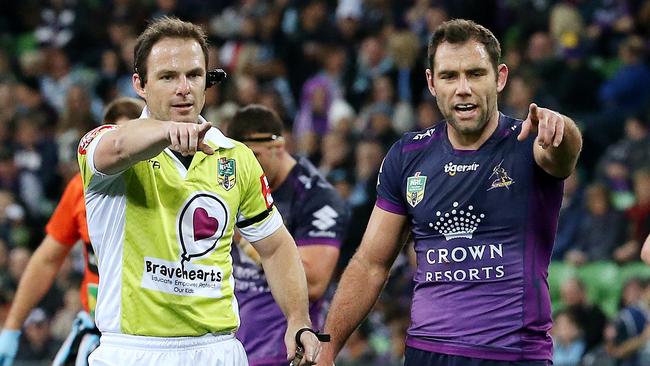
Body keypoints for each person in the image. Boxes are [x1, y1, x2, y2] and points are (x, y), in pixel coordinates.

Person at [319, 19, 582, 366]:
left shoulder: (528, 142)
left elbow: (562, 156)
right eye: (449, 76)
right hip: (426, 354)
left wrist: (562, 128)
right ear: (431, 82)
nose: (463, 88)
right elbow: (371, 263)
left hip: (513, 357)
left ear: (499, 78)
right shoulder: (408, 156)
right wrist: (327, 349)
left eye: (475, 74)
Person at [74, 17, 319, 366]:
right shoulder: (105, 146)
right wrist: (166, 132)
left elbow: (276, 246)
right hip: (133, 351)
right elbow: (118, 146)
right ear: (139, 84)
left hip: (218, 350)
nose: (184, 88)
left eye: (194, 75)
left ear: (208, 81)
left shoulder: (236, 158)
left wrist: (298, 319)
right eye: (168, 76)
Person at [0, 96, 145, 366]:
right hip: (96, 332)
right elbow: (47, 258)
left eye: (131, 140)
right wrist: (12, 327)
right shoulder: (80, 188)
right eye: (116, 141)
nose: (122, 151)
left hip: (150, 337)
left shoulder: (168, 190)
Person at [227, 105, 350, 366]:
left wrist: (247, 238)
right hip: (232, 346)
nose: (246, 169)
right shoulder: (234, 186)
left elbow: (314, 282)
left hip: (284, 349)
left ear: (278, 146)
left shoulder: (317, 199)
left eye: (254, 157)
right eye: (240, 160)